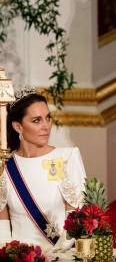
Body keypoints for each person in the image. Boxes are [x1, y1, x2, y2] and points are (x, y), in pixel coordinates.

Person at [0, 90, 86, 250]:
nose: (46, 126)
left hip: (60, 258)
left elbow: (75, 218)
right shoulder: (4, 165)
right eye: (36, 120)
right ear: (18, 126)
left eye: (48, 118)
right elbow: (2, 224)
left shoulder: (67, 157)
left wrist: (56, 254)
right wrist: (10, 259)